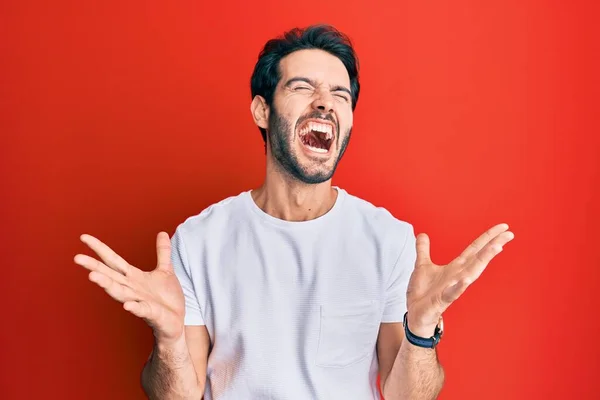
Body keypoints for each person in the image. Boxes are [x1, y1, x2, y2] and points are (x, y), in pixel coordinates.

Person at [74, 24, 514, 400]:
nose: (324, 102)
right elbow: (176, 395)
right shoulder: (198, 240)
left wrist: (420, 328)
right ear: (262, 110)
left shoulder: (388, 239)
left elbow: (407, 395)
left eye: (340, 94)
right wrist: (168, 340)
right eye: (303, 87)